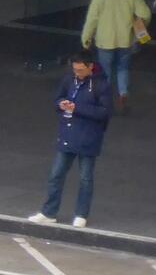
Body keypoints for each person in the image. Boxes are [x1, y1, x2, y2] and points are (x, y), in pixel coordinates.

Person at [28, 54, 113, 228]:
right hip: (68, 134)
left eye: (81, 70)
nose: (77, 73)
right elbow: (57, 98)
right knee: (56, 175)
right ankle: (49, 212)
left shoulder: (101, 85)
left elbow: (104, 112)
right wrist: (61, 104)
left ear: (90, 67)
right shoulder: (69, 80)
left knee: (85, 178)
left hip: (88, 137)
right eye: (75, 69)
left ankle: (81, 214)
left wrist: (77, 108)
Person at [82, 0, 153, 115]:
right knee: (123, 68)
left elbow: (92, 20)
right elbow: (145, 13)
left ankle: (105, 101)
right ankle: (123, 94)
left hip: (104, 41)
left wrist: (86, 39)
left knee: (105, 71)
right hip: (125, 40)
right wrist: (139, 26)